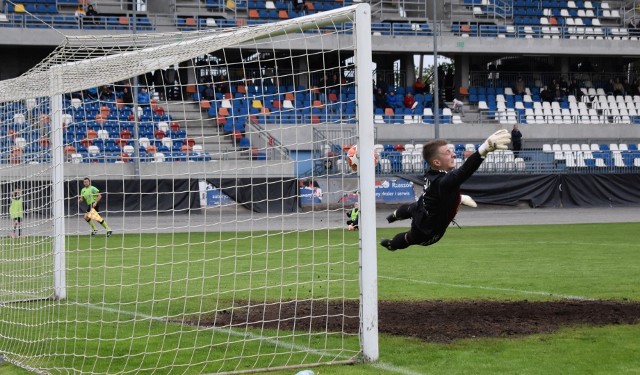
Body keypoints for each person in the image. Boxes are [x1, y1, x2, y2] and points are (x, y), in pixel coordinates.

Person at [380, 129, 511, 251]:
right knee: (409, 231)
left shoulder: (432, 171)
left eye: (451, 151)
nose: (454, 154)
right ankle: (391, 235)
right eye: (448, 152)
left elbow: (450, 181)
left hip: (425, 214)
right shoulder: (443, 182)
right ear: (437, 162)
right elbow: (463, 172)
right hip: (425, 230)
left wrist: (459, 199)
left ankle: (391, 228)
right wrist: (483, 150)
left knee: (410, 210)